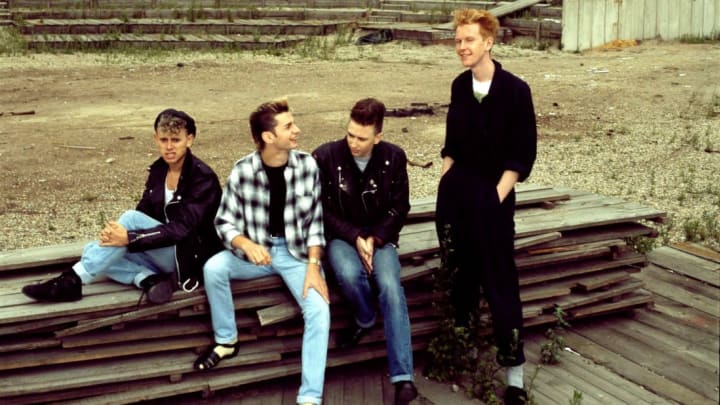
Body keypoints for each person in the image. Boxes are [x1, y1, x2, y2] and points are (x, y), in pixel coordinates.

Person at [195, 99, 330, 405]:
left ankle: (310, 397)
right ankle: (226, 340)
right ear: (269, 137)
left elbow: (316, 224)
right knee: (214, 268)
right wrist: (245, 244)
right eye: (288, 126)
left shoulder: (308, 165)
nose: (297, 130)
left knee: (320, 312)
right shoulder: (242, 171)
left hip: (297, 256)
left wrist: (313, 264)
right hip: (257, 254)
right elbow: (224, 221)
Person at [436, 9, 537, 405]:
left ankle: (514, 375)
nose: (462, 47)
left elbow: (522, 154)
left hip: (493, 197)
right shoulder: (460, 86)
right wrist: (446, 181)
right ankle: (462, 350)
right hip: (457, 195)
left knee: (500, 282)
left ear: (489, 43)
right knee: (460, 275)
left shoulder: (515, 90)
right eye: (458, 40)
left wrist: (495, 197)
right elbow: (452, 145)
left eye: (469, 40)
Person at [22, 109, 223, 304]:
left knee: (124, 226)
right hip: (162, 250)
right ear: (156, 139)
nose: (169, 147)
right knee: (94, 249)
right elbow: (144, 211)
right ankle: (147, 279)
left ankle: (72, 280)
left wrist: (130, 237)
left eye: (176, 140)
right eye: (164, 140)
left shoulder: (202, 178)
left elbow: (182, 229)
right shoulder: (159, 170)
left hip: (188, 259)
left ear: (189, 139)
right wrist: (118, 236)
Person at [312, 98, 417, 405]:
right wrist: (355, 235)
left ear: (378, 136)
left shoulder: (394, 157)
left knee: (390, 287)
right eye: (350, 135)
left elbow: (400, 206)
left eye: (361, 138)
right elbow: (320, 207)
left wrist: (375, 238)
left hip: (380, 239)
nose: (353, 143)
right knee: (347, 272)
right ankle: (365, 317)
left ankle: (403, 378)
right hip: (342, 236)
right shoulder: (326, 155)